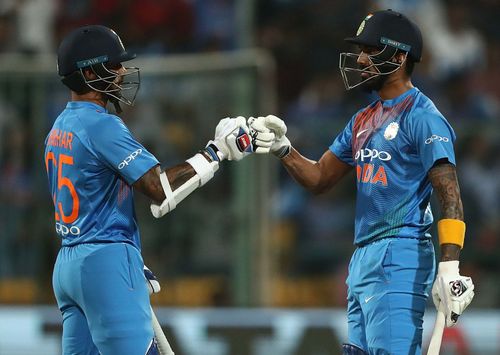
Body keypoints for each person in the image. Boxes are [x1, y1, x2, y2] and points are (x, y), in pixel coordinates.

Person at [250, 10, 475, 355]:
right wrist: (284, 149)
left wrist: (450, 266)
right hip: (362, 258)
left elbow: (451, 196)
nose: (360, 58)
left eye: (370, 49)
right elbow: (320, 178)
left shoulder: (424, 117)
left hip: (401, 252)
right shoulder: (362, 119)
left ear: (399, 57)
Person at [44, 25, 273, 355]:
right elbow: (160, 189)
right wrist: (216, 152)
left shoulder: (58, 128)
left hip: (69, 263)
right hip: (105, 260)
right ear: (90, 72)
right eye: (113, 64)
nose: (122, 71)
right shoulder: (101, 124)